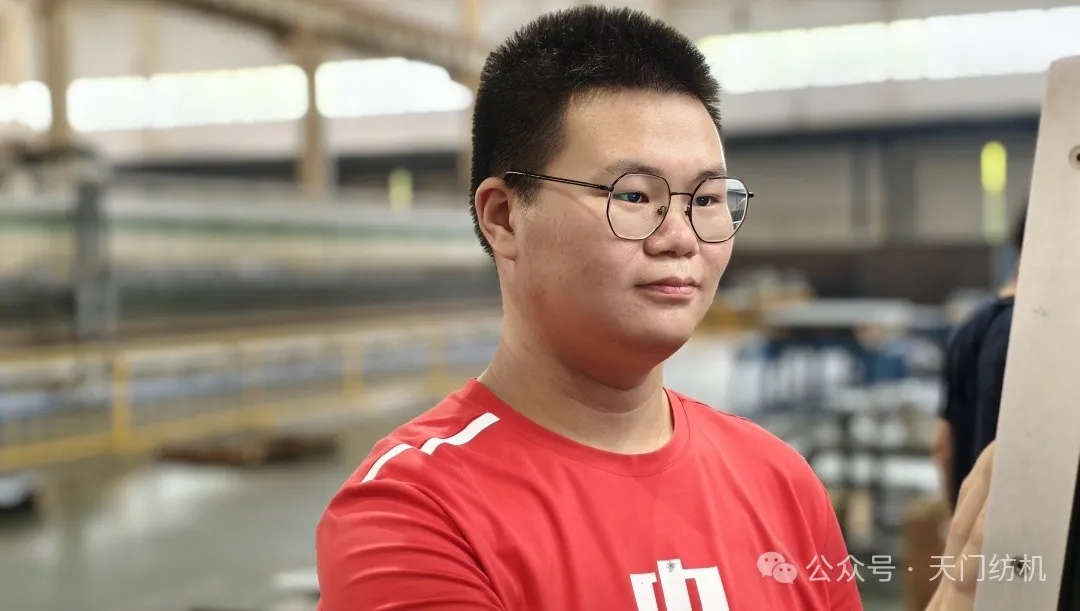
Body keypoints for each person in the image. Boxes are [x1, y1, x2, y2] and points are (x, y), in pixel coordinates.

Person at [315, 6, 991, 610]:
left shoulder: (779, 480)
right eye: (634, 196)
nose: (681, 237)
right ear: (504, 216)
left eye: (707, 199)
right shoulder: (414, 514)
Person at [933, 204, 1026, 512]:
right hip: (1028, 525)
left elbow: (942, 445)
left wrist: (955, 520)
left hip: (972, 525)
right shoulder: (1041, 338)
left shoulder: (968, 329)